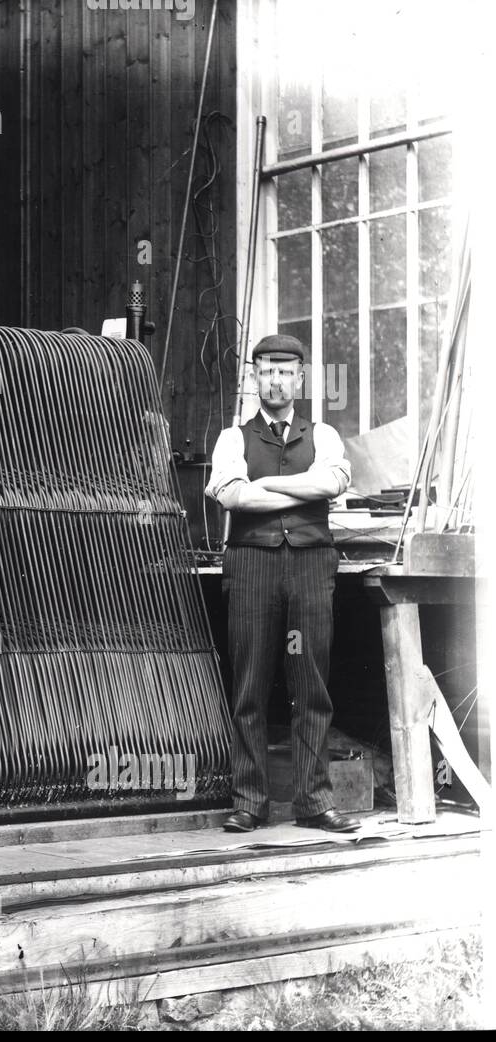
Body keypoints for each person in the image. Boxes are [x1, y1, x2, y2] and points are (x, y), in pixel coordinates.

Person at [205, 334, 358, 833]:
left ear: (300, 378)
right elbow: (233, 498)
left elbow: (332, 482)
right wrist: (298, 491)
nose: (275, 379)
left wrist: (266, 484)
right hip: (252, 565)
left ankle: (314, 801)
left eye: (285, 371)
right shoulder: (233, 438)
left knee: (310, 684)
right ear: (254, 377)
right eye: (266, 370)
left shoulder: (326, 434)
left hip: (312, 565)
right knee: (250, 683)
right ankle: (250, 801)